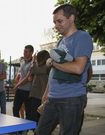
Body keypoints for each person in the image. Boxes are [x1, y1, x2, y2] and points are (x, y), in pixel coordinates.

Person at [36, 4, 93, 135]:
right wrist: (46, 93)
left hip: (72, 99)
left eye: (59, 21)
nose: (56, 25)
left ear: (72, 18)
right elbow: (54, 72)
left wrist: (52, 63)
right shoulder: (61, 42)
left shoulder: (82, 37)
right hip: (52, 98)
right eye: (54, 22)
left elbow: (78, 68)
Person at [29, 50, 50, 124]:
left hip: (40, 95)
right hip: (36, 95)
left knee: (37, 118)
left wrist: (33, 61)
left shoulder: (46, 67)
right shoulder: (41, 67)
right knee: (35, 117)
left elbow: (33, 70)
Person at [12, 45, 34, 119]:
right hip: (20, 90)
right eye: (24, 51)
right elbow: (21, 75)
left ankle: (26, 129)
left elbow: (28, 78)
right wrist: (17, 80)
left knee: (28, 112)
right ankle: (18, 127)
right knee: (15, 109)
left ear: (31, 52)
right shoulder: (23, 62)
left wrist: (17, 85)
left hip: (28, 91)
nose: (24, 53)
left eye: (26, 51)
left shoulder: (33, 63)